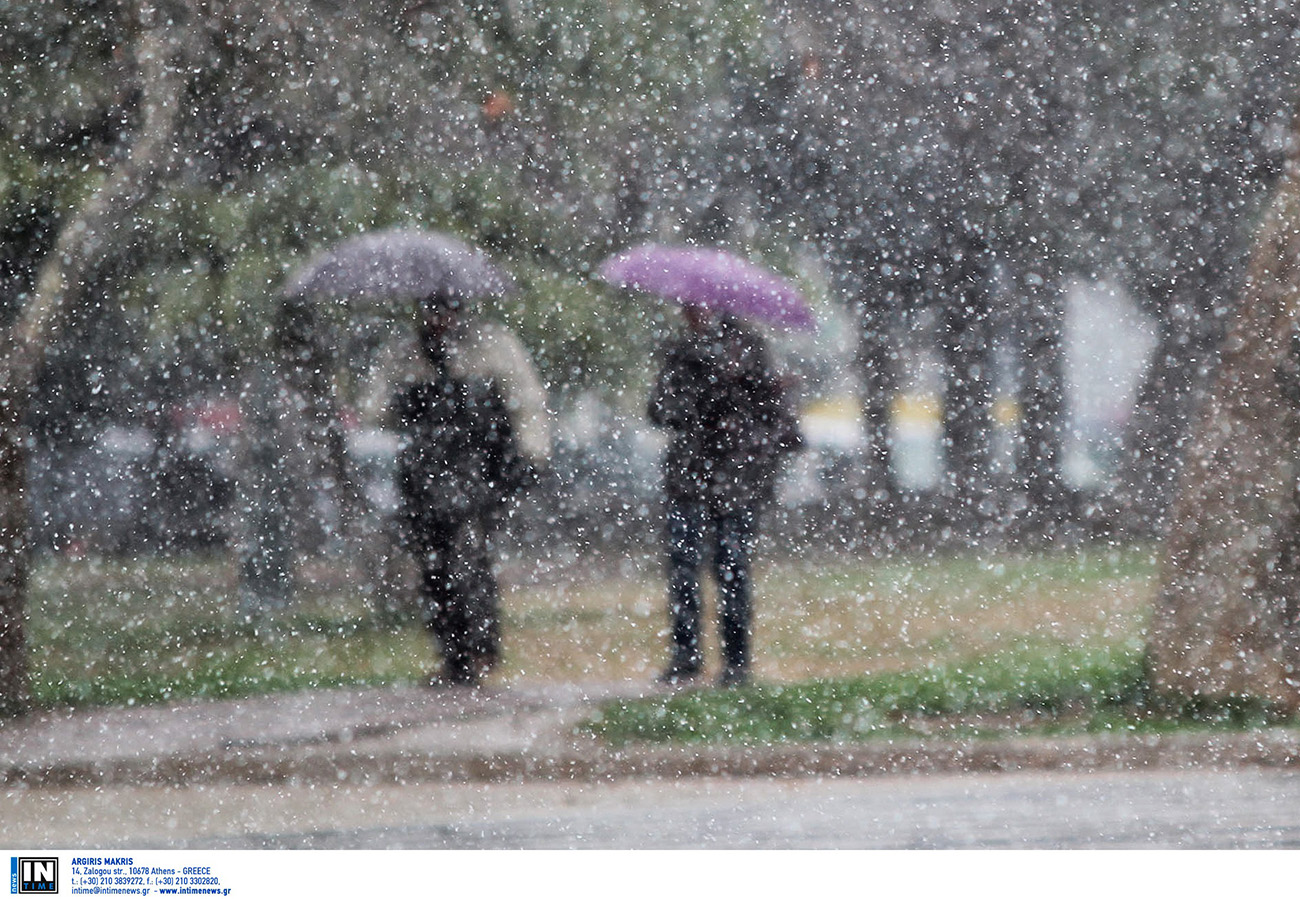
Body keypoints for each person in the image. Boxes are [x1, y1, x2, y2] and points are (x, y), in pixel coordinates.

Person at [365, 291, 550, 686]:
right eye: (433, 308)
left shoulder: (493, 346)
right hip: (425, 472)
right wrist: (403, 398)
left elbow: (526, 401)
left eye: (448, 308)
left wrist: (531, 453)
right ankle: (453, 653)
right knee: (435, 565)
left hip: (481, 469)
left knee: (473, 559)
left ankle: (480, 648)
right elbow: (374, 408)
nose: (441, 318)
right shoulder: (403, 354)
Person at [648, 305, 802, 687]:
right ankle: (688, 654)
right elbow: (659, 410)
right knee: (685, 567)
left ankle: (735, 660)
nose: (689, 310)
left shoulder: (750, 349)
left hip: (735, 476)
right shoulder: (680, 353)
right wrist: (700, 397)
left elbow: (768, 413)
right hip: (691, 477)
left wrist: (752, 388)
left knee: (731, 566)